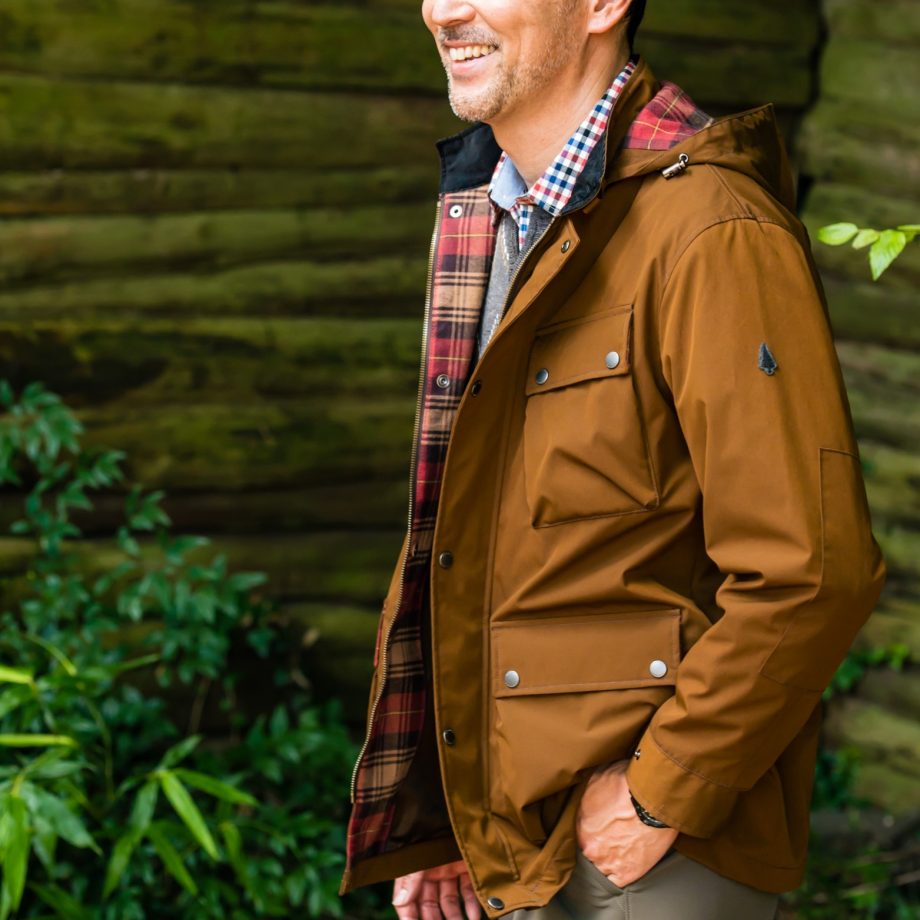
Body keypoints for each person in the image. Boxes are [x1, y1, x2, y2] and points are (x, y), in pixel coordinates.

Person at [338, 1, 887, 917]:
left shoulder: (711, 227)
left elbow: (813, 570)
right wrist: (453, 814)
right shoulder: (492, 216)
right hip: (517, 839)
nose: (444, 10)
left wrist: (658, 794)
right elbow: (475, 548)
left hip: (649, 857)